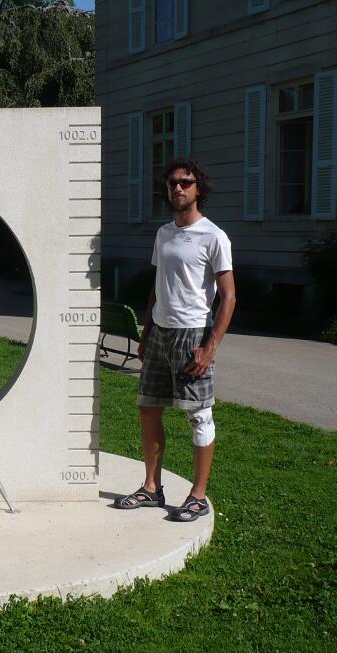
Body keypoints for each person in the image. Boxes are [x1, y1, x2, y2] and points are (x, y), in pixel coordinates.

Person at [116, 158, 236, 522]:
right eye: (172, 183)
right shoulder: (163, 233)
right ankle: (151, 488)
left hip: (192, 334)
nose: (178, 188)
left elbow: (228, 297)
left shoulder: (214, 236)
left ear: (199, 188)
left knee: (199, 417)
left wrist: (209, 347)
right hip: (159, 332)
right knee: (148, 408)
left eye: (186, 182)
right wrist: (146, 332)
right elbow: (158, 285)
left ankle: (197, 497)